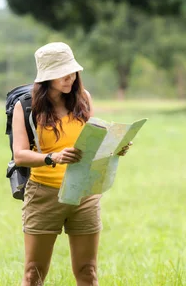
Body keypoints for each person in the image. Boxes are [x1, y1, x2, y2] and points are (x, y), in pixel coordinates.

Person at [12, 42, 131, 286]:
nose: (70, 77)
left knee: (88, 271)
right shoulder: (25, 107)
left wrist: (115, 147)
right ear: (46, 76)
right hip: (43, 195)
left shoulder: (83, 99)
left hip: (84, 193)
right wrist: (52, 157)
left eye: (73, 71)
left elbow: (92, 142)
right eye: (61, 72)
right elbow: (20, 155)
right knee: (33, 274)